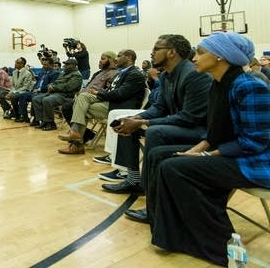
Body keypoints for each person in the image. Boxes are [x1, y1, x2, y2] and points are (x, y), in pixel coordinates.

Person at [146, 32, 270, 266]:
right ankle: (174, 234)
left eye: (201, 53)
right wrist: (197, 150)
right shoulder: (219, 84)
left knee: (175, 167)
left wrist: (206, 155)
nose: (194, 57)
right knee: (159, 154)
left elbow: (254, 142)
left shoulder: (252, 86)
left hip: (255, 161)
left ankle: (219, 245)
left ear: (221, 57)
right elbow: (213, 133)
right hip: (233, 152)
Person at [104, 34, 211, 196]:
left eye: (156, 49)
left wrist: (144, 122)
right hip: (180, 124)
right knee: (124, 122)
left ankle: (150, 192)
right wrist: (135, 119)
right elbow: (159, 108)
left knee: (155, 132)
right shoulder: (167, 75)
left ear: (171, 52)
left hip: (199, 131)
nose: (152, 53)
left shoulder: (194, 75)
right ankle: (133, 179)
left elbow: (190, 118)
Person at [58, 49, 145, 155]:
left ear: (129, 58)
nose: (116, 59)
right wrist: (97, 94)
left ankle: (76, 142)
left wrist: (97, 94)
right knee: (83, 98)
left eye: (119, 56)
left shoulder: (134, 74)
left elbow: (120, 94)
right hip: (110, 102)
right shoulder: (122, 73)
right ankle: (75, 134)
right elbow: (112, 92)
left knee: (81, 106)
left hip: (120, 107)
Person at [30, 58, 82, 131]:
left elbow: (68, 87)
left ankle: (51, 123)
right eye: (65, 64)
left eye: (67, 64)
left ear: (74, 65)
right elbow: (56, 82)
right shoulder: (63, 73)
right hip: (55, 92)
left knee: (47, 100)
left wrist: (54, 87)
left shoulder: (77, 75)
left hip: (65, 96)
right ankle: (42, 121)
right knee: (36, 99)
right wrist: (50, 85)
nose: (65, 66)